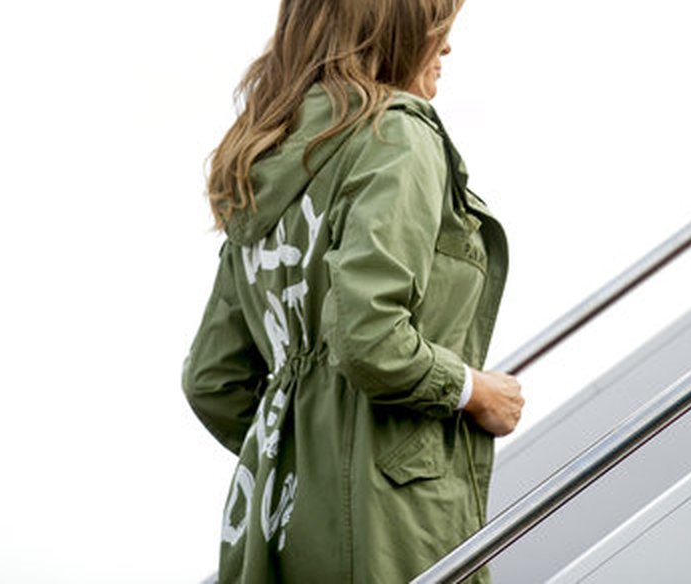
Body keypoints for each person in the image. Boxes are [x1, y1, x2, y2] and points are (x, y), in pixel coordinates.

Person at [183, 0, 524, 581]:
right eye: (438, 27)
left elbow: (212, 380)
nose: (446, 47)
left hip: (276, 531)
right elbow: (370, 336)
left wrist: (305, 455)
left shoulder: (262, 164)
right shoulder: (395, 135)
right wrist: (474, 391)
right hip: (387, 527)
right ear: (392, 28)